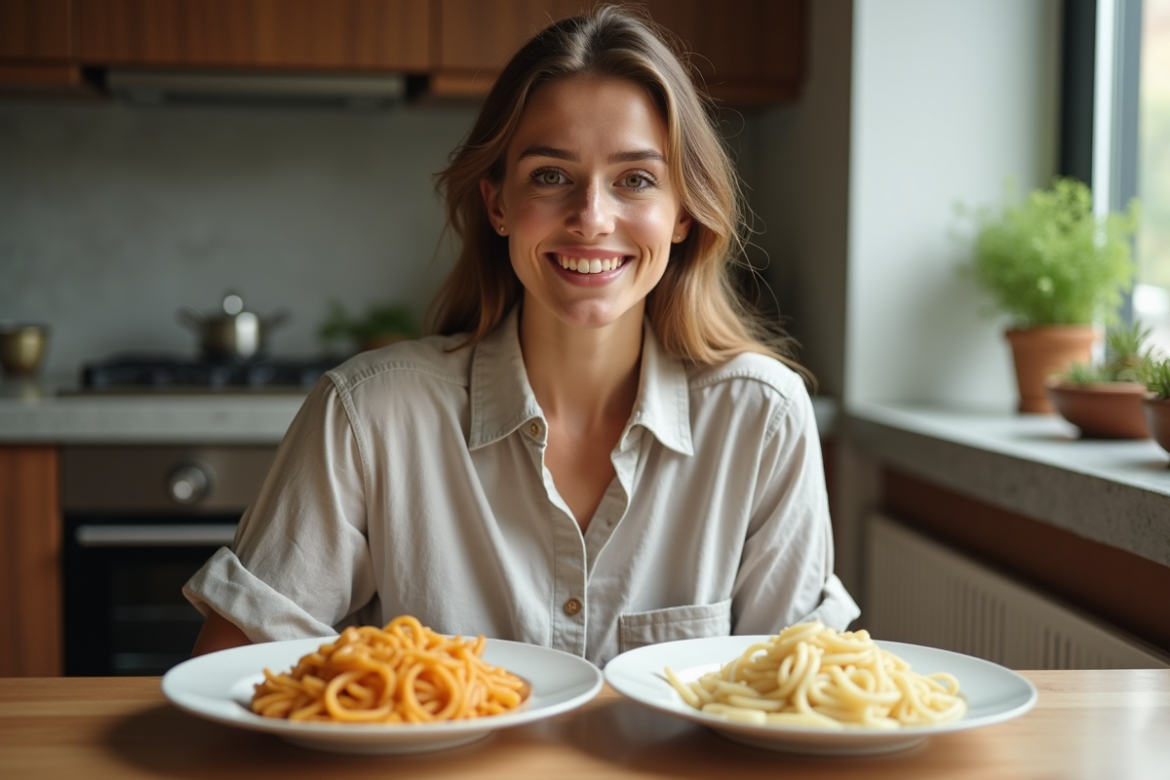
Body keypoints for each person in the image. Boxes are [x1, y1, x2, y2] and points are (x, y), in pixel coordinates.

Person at [186, 5, 858, 668]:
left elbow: (794, 701)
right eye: (551, 176)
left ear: (681, 213)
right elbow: (231, 675)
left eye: (636, 180)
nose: (592, 218)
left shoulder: (764, 417)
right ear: (499, 205)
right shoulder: (366, 415)